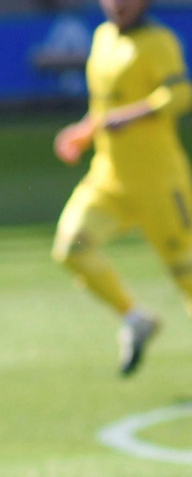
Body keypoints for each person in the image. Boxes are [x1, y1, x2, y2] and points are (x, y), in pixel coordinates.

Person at [53, 0, 192, 374]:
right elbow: (103, 107)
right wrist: (83, 133)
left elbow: (180, 95)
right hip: (109, 178)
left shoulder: (158, 41)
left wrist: (132, 116)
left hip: (159, 182)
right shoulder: (101, 38)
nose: (118, 5)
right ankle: (135, 319)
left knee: (187, 277)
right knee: (71, 247)